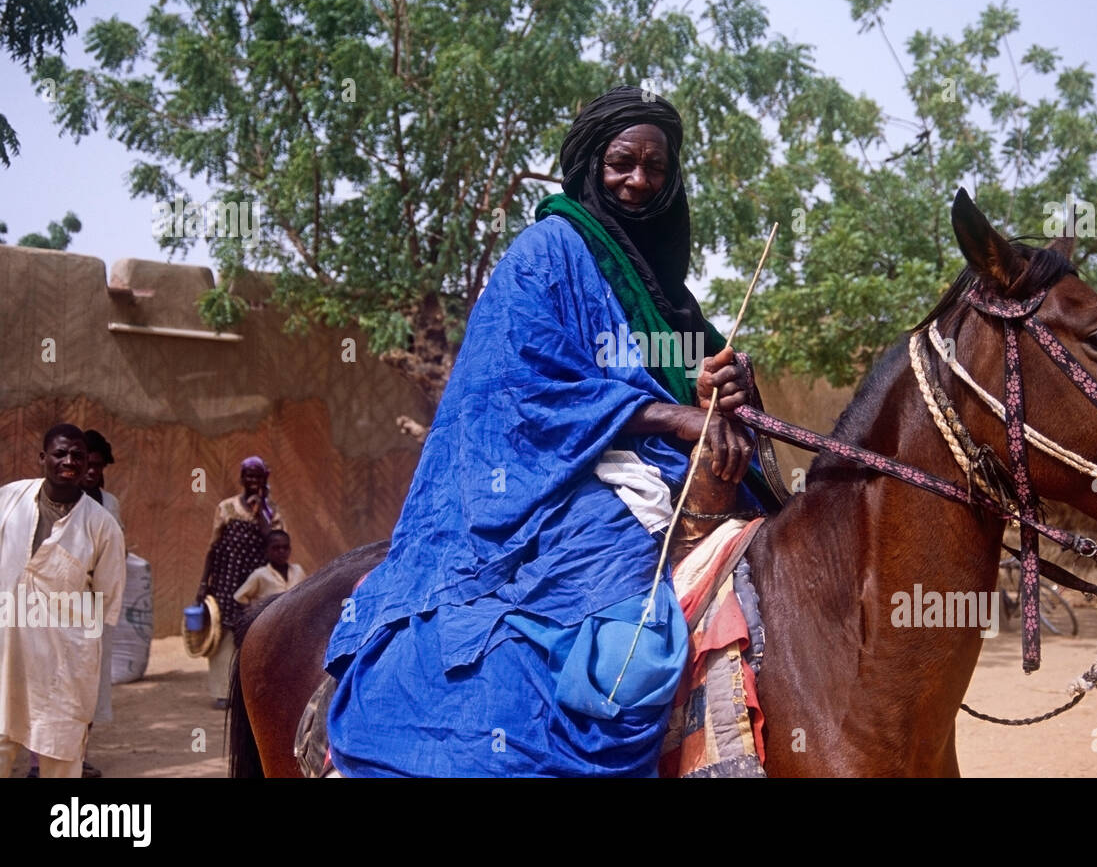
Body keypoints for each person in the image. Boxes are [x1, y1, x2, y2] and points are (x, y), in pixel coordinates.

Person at [324, 86, 769, 777]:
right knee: (625, 655)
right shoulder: (546, 251)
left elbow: (683, 369)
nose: (640, 181)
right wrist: (668, 414)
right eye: (624, 163)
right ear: (594, 163)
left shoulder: (665, 292)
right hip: (559, 470)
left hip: (672, 467)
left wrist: (718, 385)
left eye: (656, 168)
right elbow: (519, 385)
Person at [0, 423, 125, 778]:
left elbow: (105, 600)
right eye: (60, 453)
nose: (69, 461)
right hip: (6, 649)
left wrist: (66, 635)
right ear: (43, 458)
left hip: (62, 665)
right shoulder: (9, 500)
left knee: (61, 753)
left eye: (77, 455)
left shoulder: (101, 526)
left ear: (87, 464)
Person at [197, 456, 283, 709]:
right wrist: (203, 584)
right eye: (248, 476)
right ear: (242, 478)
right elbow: (213, 547)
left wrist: (260, 513)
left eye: (257, 476)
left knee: (250, 635)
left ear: (264, 479)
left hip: (255, 582)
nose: (252, 481)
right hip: (225, 579)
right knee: (221, 637)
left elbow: (274, 540)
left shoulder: (271, 511)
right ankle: (222, 692)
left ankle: (245, 692)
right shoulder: (226, 507)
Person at [80, 428, 123, 778]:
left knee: (89, 684)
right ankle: (42, 761)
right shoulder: (62, 500)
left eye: (98, 464)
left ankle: (78, 754)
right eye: (87, 463)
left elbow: (116, 552)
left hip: (95, 607)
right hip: (60, 605)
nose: (92, 471)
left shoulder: (110, 505)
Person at [234, 530, 305, 608]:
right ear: (266, 551)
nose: (281, 551)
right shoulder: (260, 574)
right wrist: (255, 615)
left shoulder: (298, 570)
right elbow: (239, 597)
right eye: (276, 548)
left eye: (285, 547)